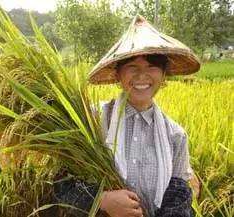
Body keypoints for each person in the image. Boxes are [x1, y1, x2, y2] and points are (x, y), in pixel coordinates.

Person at [54, 15, 200, 217]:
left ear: (164, 74)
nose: (142, 75)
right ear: (118, 74)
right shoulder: (93, 119)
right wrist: (102, 200)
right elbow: (62, 183)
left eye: (152, 66)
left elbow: (179, 196)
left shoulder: (174, 135)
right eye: (132, 67)